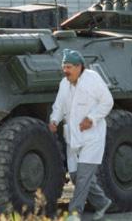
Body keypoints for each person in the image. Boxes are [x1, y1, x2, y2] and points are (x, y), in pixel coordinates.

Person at [49, 49, 114, 220]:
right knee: (76, 176)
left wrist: (91, 118)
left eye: (69, 67)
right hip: (73, 137)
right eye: (64, 67)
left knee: (84, 176)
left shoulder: (92, 79)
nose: (66, 70)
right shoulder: (64, 83)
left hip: (92, 136)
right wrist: (54, 120)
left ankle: (75, 213)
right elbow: (59, 105)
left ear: (79, 67)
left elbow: (108, 101)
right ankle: (102, 202)